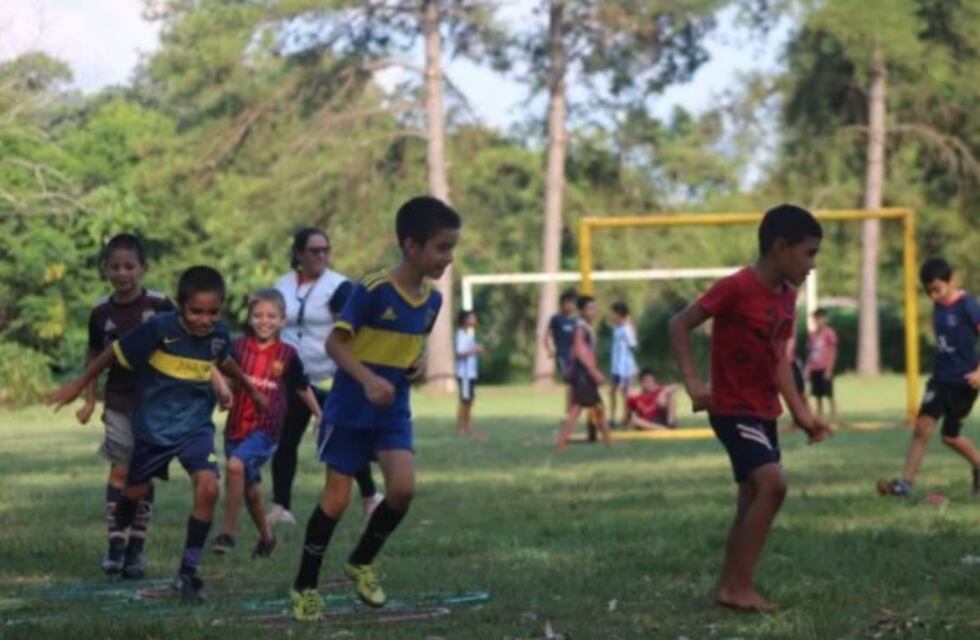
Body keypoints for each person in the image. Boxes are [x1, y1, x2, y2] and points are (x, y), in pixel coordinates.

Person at [50, 266, 267, 602]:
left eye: (212, 312)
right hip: (154, 429)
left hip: (195, 428)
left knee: (208, 487)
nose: (204, 320)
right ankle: (123, 518)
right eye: (196, 311)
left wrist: (248, 391)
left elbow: (223, 360)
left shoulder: (218, 335)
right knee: (132, 495)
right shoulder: (158, 330)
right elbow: (111, 353)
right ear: (180, 306)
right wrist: (79, 385)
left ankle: (188, 573)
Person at [289, 196, 459, 622]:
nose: (448, 258)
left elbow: (410, 347)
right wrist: (367, 380)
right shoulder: (372, 289)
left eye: (452, 248)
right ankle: (305, 585)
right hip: (349, 407)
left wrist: (415, 366)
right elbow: (336, 344)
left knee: (402, 490)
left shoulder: (433, 301)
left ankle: (362, 560)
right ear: (411, 246)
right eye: (441, 248)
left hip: (392, 409)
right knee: (336, 501)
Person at [668, 204, 830, 612]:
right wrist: (693, 384)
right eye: (808, 253)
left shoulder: (788, 297)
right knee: (773, 485)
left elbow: (778, 360)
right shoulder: (737, 287)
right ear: (780, 247)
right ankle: (738, 586)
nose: (812, 264)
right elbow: (679, 324)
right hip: (732, 408)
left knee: (751, 496)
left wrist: (801, 413)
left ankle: (730, 586)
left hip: (764, 411)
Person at [76, 233, 175, 578]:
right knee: (121, 469)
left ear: (143, 268)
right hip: (118, 400)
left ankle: (137, 548)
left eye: (129, 266)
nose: (123, 273)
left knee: (143, 473)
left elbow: (186, 342)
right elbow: (93, 355)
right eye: (115, 266)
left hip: (155, 402)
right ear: (105, 269)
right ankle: (116, 542)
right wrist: (89, 397)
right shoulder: (101, 312)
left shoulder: (161, 305)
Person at [269, 227, 380, 526]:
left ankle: (370, 496)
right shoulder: (282, 286)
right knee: (285, 440)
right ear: (298, 254)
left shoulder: (339, 286)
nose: (321, 256)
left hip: (331, 377)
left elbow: (354, 330)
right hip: (292, 379)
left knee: (343, 439)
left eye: (325, 250)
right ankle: (281, 506)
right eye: (314, 251)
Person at [211, 289, 323, 558]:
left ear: (283, 320)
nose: (264, 321)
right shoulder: (236, 348)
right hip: (236, 427)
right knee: (249, 490)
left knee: (235, 466)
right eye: (258, 315)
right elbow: (220, 374)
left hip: (266, 430)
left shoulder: (287, 354)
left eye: (272, 316)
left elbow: (301, 387)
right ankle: (267, 537)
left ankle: (228, 532)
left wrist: (320, 414)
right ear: (249, 318)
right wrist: (223, 391)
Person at [878, 258, 980, 498]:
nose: (933, 296)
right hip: (940, 379)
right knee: (922, 428)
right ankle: (905, 485)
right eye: (928, 291)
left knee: (950, 437)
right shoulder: (938, 306)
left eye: (938, 289)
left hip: (964, 381)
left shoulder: (968, 305)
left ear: (951, 281)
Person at [554, 295, 613, 450]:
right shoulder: (580, 327)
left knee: (597, 407)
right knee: (578, 409)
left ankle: (609, 442)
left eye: (594, 307)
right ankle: (561, 443)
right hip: (582, 374)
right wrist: (594, 372)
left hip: (585, 373)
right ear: (582, 310)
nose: (594, 311)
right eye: (590, 308)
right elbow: (579, 351)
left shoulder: (586, 327)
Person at [804, 308, 839, 423]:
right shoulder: (812, 335)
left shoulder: (829, 333)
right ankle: (820, 416)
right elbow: (810, 353)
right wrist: (808, 368)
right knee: (817, 394)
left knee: (829, 393)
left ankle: (834, 416)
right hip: (815, 368)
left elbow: (833, 351)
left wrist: (829, 369)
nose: (818, 321)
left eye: (821, 318)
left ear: (825, 319)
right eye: (816, 318)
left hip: (825, 368)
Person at [455, 310, 485, 438]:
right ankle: (461, 427)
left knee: (470, 400)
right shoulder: (460, 334)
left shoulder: (468, 335)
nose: (474, 320)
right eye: (472, 318)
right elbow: (460, 353)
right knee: (464, 400)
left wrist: (476, 348)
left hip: (471, 373)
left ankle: (467, 425)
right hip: (464, 374)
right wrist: (475, 350)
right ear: (465, 320)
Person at [609, 302, 638, 426]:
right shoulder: (617, 328)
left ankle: (626, 417)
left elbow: (633, 346)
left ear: (621, 315)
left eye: (614, 314)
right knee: (613, 392)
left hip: (625, 368)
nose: (612, 317)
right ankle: (613, 417)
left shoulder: (626, 329)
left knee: (624, 393)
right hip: (616, 367)